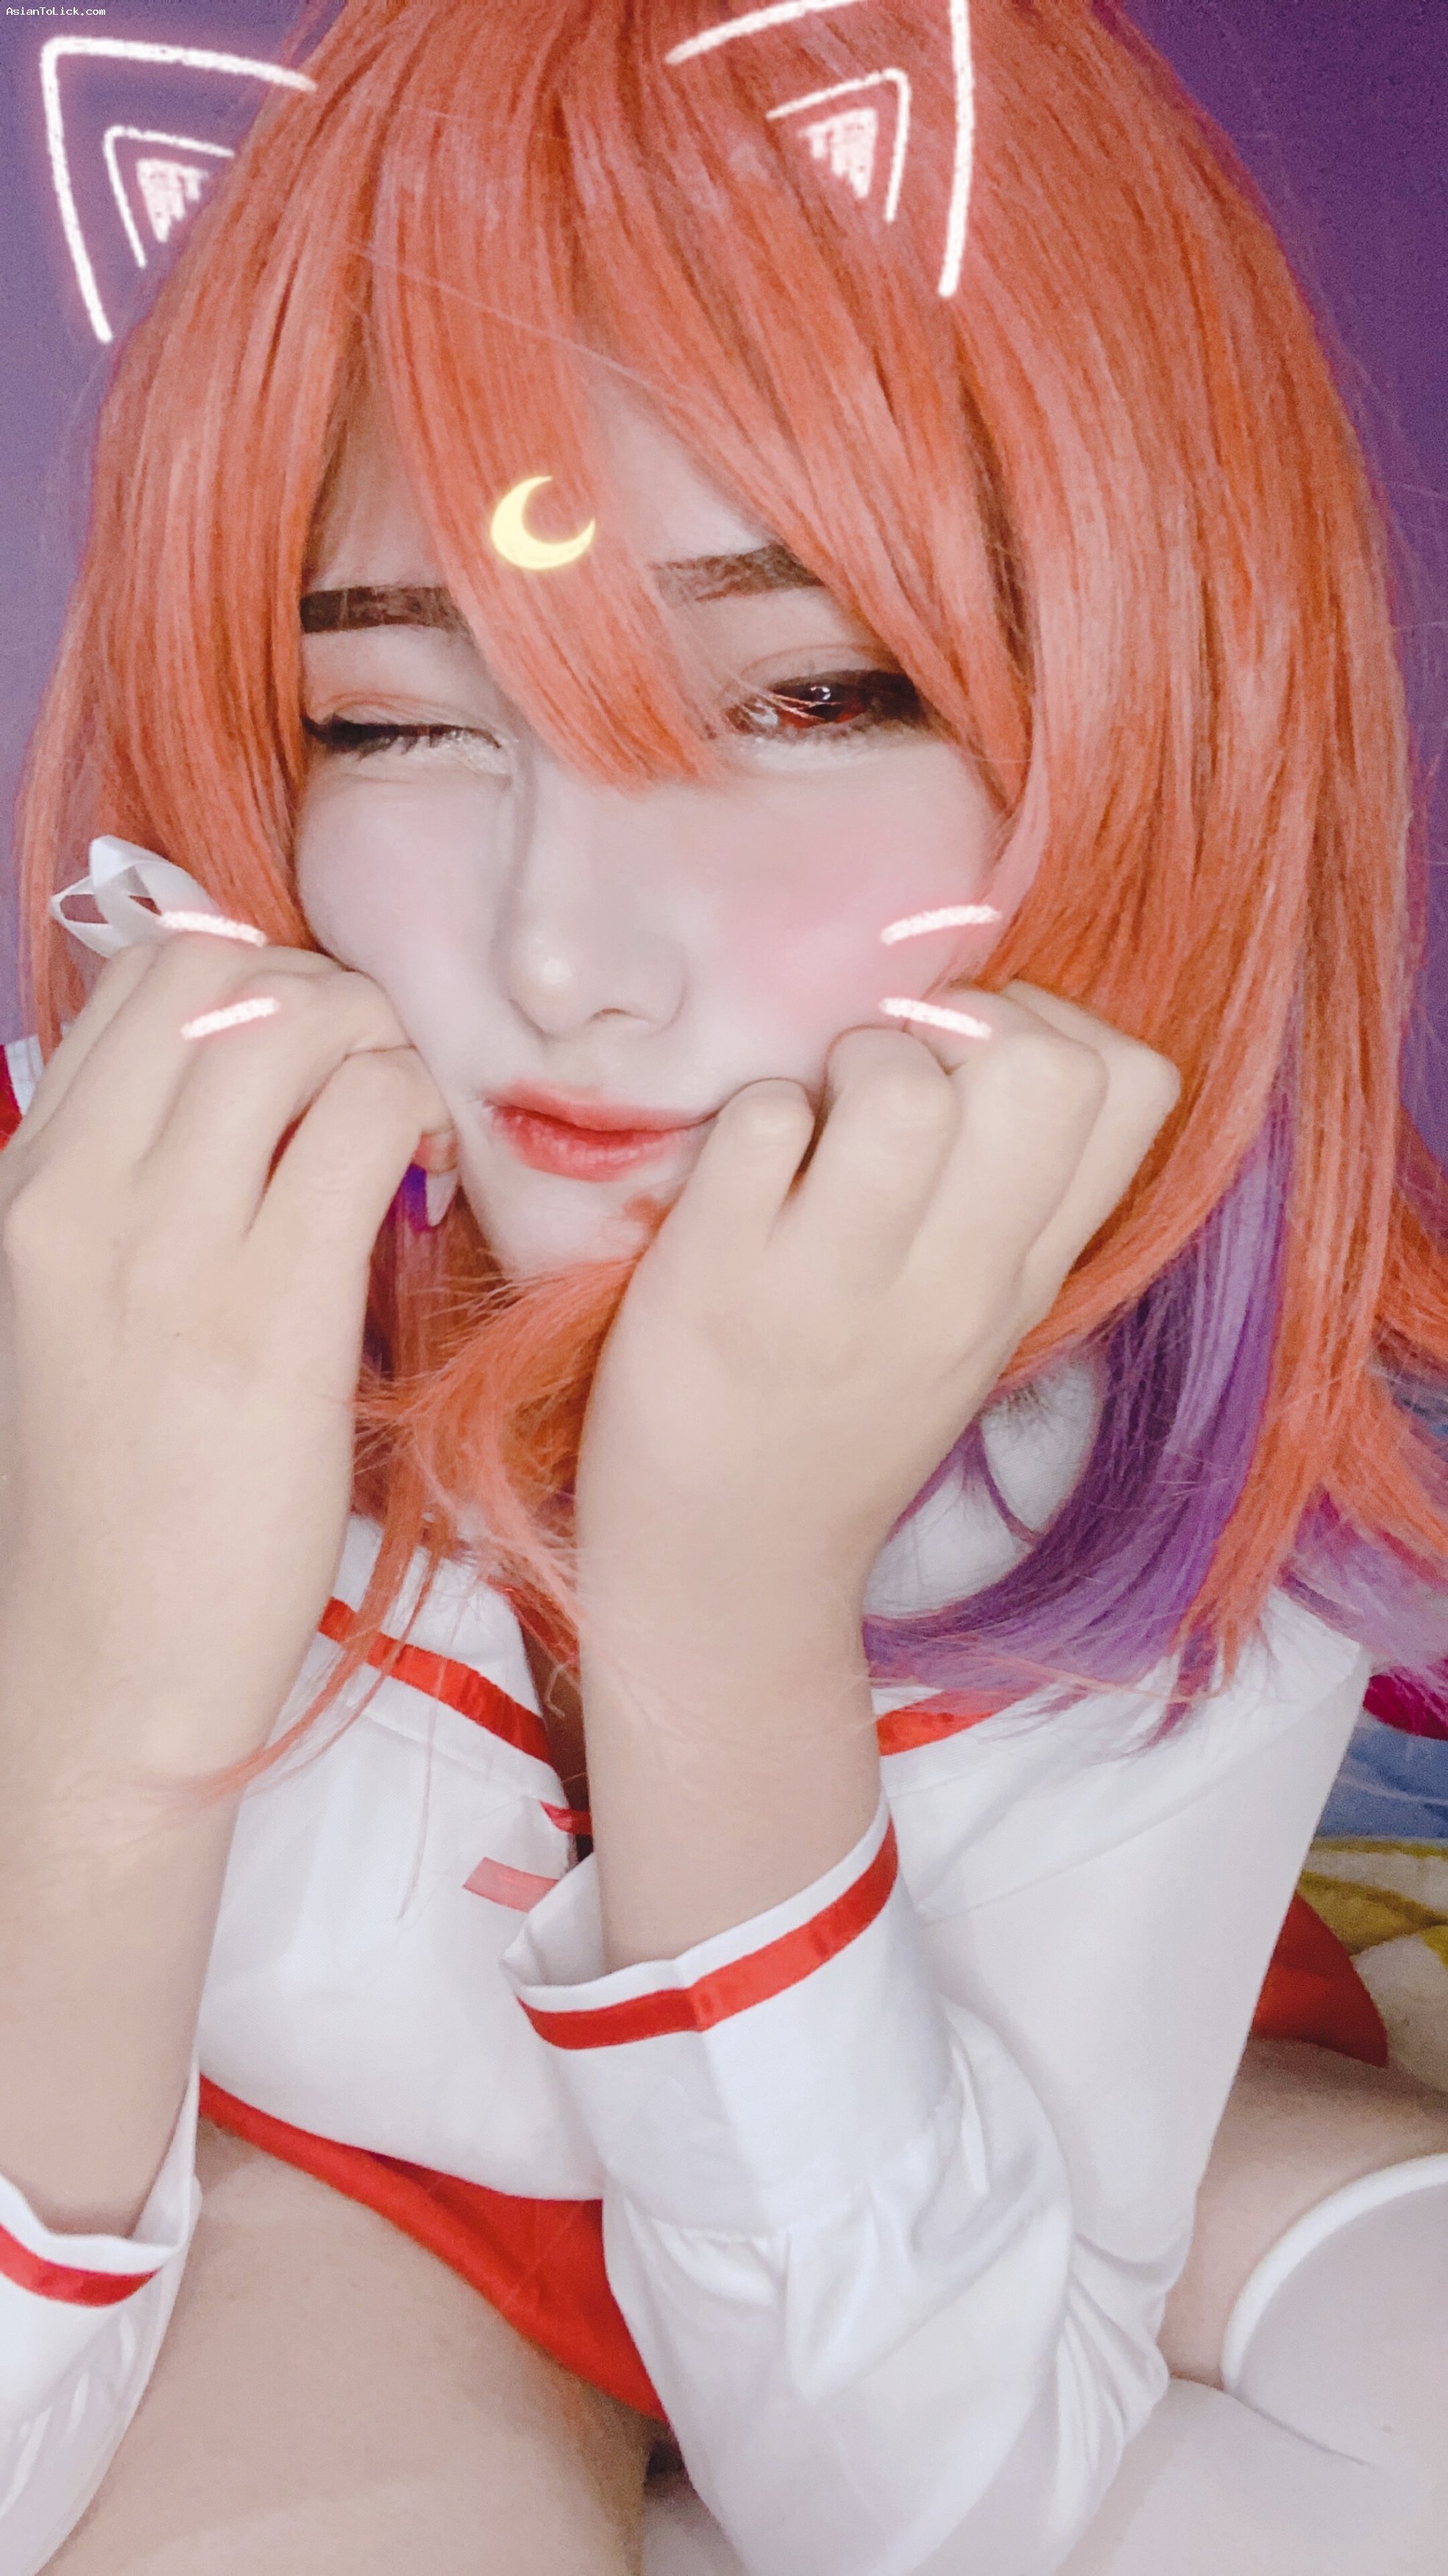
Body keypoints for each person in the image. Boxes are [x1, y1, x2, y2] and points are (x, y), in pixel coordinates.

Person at [1, 1, 1447, 2570]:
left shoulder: (1173, 1362)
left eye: (803, 697)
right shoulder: (98, 1233)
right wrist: (96, 1725)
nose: (568, 958)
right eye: (394, 720)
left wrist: (722, 1608)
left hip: (1049, 2080)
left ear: (1136, 695)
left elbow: (934, 2507)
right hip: (358, 2169)